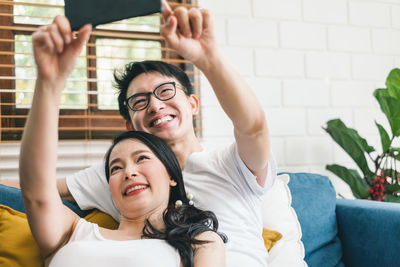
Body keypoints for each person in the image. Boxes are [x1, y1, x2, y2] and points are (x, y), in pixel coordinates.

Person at [7, 1, 277, 266]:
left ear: (193, 104)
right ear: (130, 126)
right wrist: (49, 82)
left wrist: (208, 58)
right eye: (139, 101)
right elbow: (37, 190)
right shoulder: (112, 181)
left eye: (166, 91)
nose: (156, 105)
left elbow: (253, 129)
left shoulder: (228, 169)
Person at [19, 52, 226, 265]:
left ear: (172, 175)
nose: (129, 172)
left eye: (142, 158)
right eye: (116, 168)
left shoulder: (200, 242)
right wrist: (48, 84)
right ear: (109, 186)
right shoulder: (71, 232)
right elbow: (36, 191)